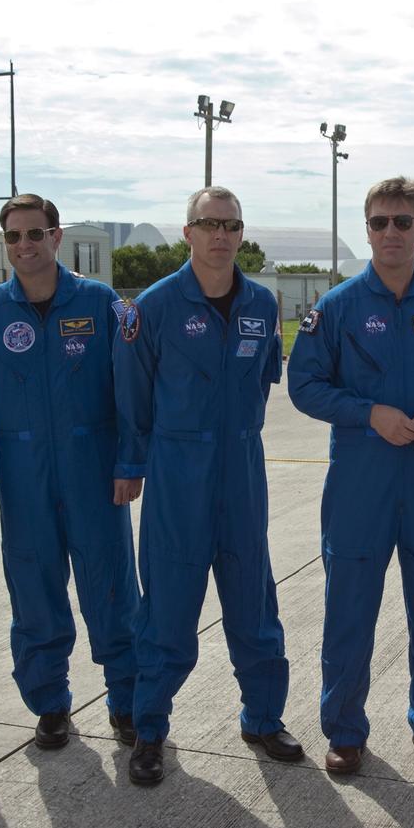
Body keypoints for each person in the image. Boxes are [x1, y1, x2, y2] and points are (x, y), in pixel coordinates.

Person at [287, 176, 414, 775]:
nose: (391, 232)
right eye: (379, 222)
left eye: (403, 221)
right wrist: (368, 413)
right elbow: (304, 385)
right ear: (366, 229)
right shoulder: (339, 307)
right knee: (349, 609)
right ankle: (345, 731)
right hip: (359, 485)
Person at [114, 185, 301, 786]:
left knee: (254, 600)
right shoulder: (155, 306)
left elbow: (264, 378)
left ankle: (263, 718)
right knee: (167, 607)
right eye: (209, 223)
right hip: (177, 472)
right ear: (187, 231)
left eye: (231, 225)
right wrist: (134, 465)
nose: (221, 235)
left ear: (242, 235)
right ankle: (150, 728)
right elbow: (133, 398)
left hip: (243, 469)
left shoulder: (262, 304)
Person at [0, 193, 139, 751]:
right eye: (14, 236)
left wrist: (130, 462)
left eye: (36, 234)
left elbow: (130, 391)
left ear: (57, 237)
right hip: (23, 480)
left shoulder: (101, 303)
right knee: (34, 594)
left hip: (95, 476)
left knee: (111, 591)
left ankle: (126, 701)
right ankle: (50, 704)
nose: (25, 245)